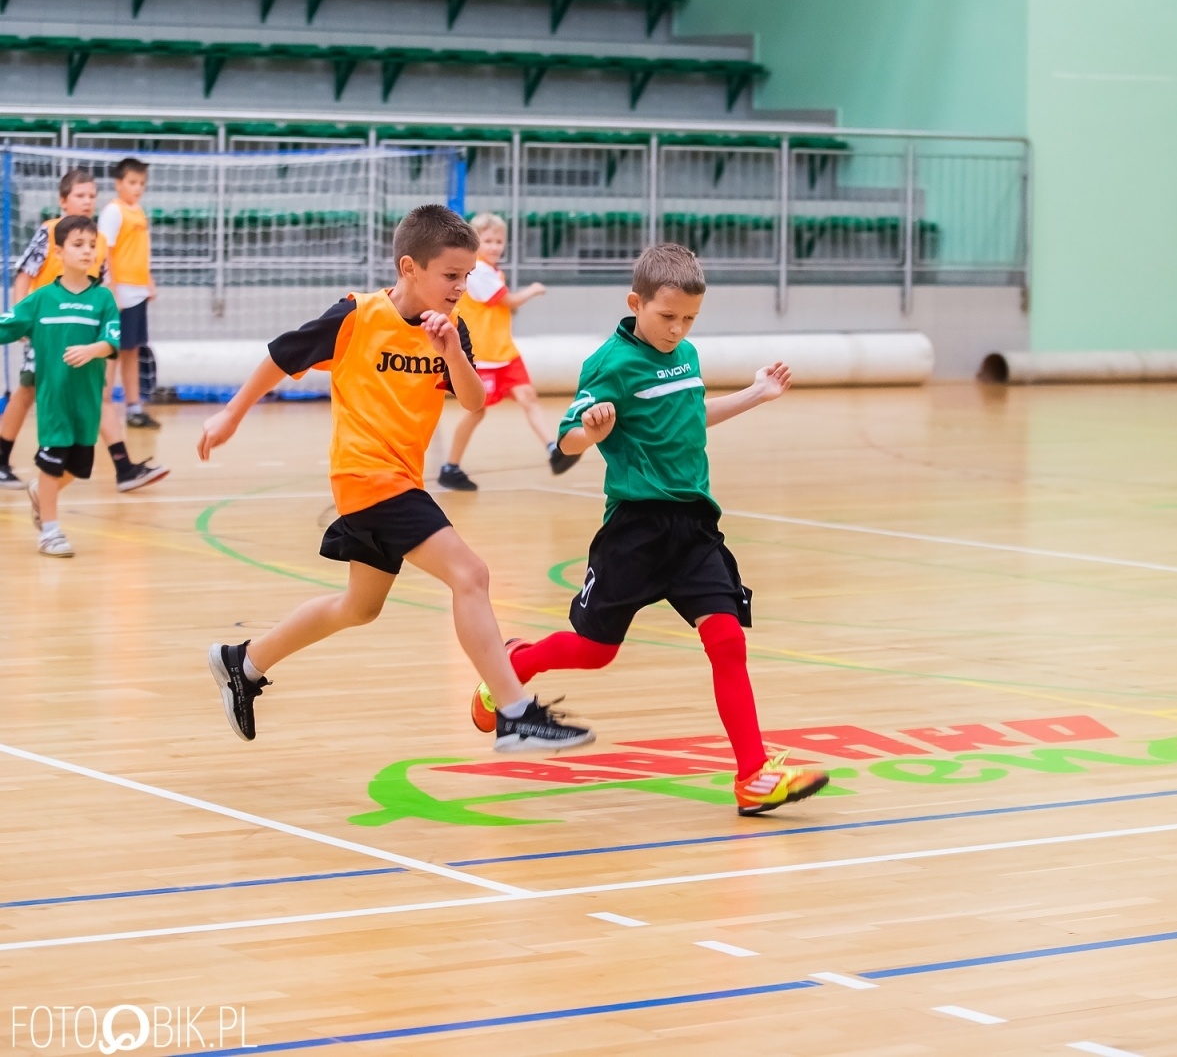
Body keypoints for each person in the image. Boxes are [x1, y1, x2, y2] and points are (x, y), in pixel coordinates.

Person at [198, 205, 591, 751]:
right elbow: (280, 356)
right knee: (471, 575)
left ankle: (244, 662)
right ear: (410, 268)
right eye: (450, 275)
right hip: (367, 474)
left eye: (466, 275)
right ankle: (515, 713)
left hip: (399, 478)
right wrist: (232, 414)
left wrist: (452, 352)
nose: (461, 286)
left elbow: (475, 400)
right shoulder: (357, 316)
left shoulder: (452, 330)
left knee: (359, 607)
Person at [467, 242, 830, 814]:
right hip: (634, 531)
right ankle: (513, 665)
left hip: (694, 527)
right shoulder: (609, 364)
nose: (677, 328)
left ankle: (753, 776)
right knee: (594, 651)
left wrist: (757, 394)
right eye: (667, 316)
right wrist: (589, 429)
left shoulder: (685, 354)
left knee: (728, 641)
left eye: (689, 319)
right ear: (635, 301)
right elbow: (565, 441)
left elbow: (689, 414)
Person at [0, 167, 166, 493]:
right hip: (48, 329)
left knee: (95, 392)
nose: (87, 200)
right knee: (27, 392)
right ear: (63, 201)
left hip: (84, 334)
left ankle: (123, 466)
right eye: (80, 195)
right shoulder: (49, 233)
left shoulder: (98, 242)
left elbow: (100, 283)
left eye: (92, 195)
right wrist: (22, 322)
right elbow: (23, 276)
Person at [0, 216, 121, 557]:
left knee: (78, 467)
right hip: (54, 399)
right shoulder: (41, 300)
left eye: (92, 246)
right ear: (59, 251)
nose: (87, 252)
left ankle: (41, 492)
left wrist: (93, 349)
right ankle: (50, 531)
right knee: (51, 462)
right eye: (78, 245)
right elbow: (6, 325)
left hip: (87, 401)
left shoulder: (103, 300)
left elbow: (114, 337)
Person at [438, 212, 571, 490]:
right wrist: (533, 290)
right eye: (488, 240)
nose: (495, 246)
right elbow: (508, 301)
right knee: (477, 411)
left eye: (499, 240)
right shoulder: (478, 272)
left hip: (504, 351)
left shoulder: (492, 271)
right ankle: (450, 466)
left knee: (528, 397)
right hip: (484, 354)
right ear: (476, 243)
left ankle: (553, 450)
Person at [99, 156, 161, 431]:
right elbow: (106, 251)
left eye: (142, 183)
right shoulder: (113, 211)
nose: (138, 188)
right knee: (112, 351)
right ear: (118, 183)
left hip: (136, 291)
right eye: (132, 182)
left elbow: (139, 251)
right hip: (119, 291)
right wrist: (111, 287)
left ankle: (134, 408)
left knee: (132, 350)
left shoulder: (138, 211)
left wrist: (148, 280)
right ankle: (102, 406)